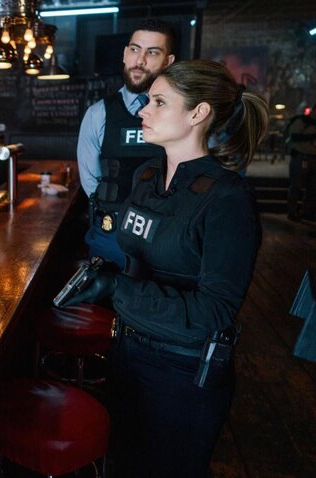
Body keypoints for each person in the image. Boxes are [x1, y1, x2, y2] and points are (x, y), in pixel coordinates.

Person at [63, 59, 268, 477]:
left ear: (198, 113)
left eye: (159, 102)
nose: (143, 110)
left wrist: (116, 291)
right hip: (126, 349)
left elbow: (213, 313)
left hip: (182, 371)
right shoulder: (147, 174)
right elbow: (139, 253)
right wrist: (103, 273)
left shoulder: (228, 199)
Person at [76, 19, 176, 269]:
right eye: (134, 49)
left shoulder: (181, 115)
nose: (140, 60)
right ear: (124, 54)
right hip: (111, 234)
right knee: (101, 306)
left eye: (152, 52)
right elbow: (92, 184)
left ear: (168, 62)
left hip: (165, 237)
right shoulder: (98, 114)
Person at [284, 103, 316, 221]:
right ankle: (292, 212)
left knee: (312, 188)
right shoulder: (302, 121)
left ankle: (307, 212)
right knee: (296, 186)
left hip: (312, 157)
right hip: (301, 157)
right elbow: (294, 136)